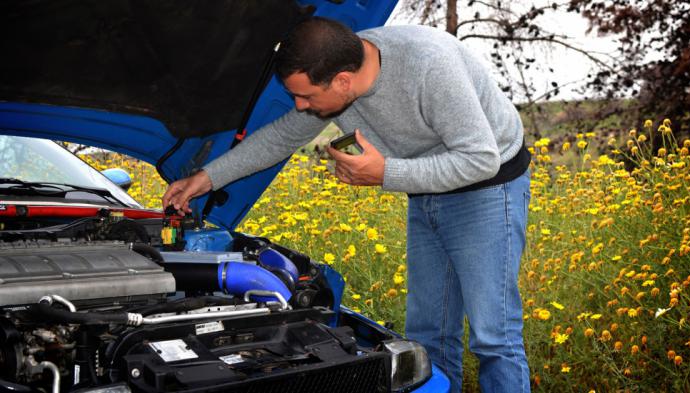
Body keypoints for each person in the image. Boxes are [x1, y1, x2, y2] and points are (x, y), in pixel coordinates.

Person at [162, 17, 531, 393]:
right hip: (428, 190)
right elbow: (281, 137)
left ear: (342, 81)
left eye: (305, 96)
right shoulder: (336, 70)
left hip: (489, 187)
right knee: (429, 335)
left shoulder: (429, 66)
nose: (301, 106)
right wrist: (206, 178)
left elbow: (481, 158)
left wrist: (386, 172)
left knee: (493, 338)